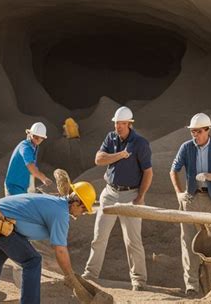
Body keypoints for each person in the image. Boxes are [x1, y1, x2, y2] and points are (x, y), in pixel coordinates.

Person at [0, 181, 97, 304]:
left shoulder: (56, 204)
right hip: (0, 221)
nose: (83, 213)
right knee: (32, 261)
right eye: (84, 209)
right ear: (76, 202)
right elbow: (60, 249)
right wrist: (70, 275)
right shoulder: (61, 213)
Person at [82, 106, 153, 291]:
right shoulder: (110, 137)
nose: (118, 126)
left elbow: (148, 172)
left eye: (122, 123)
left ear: (129, 124)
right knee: (99, 236)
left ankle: (139, 280)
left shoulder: (140, 143)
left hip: (131, 194)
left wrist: (140, 197)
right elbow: (98, 159)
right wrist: (119, 155)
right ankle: (90, 274)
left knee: (133, 240)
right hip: (109, 193)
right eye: (116, 123)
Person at [169, 113, 211, 298]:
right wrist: (179, 193)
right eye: (192, 131)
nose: (194, 135)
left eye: (198, 131)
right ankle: (191, 286)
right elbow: (174, 170)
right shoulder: (186, 147)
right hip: (191, 199)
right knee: (188, 241)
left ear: (207, 130)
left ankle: (209, 285)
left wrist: (208, 176)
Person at [4, 122, 52, 196]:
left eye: (40, 138)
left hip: (23, 188)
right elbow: (31, 168)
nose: (38, 140)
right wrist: (43, 178)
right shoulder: (25, 147)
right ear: (29, 134)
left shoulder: (34, 147)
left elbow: (33, 169)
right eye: (35, 137)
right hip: (14, 187)